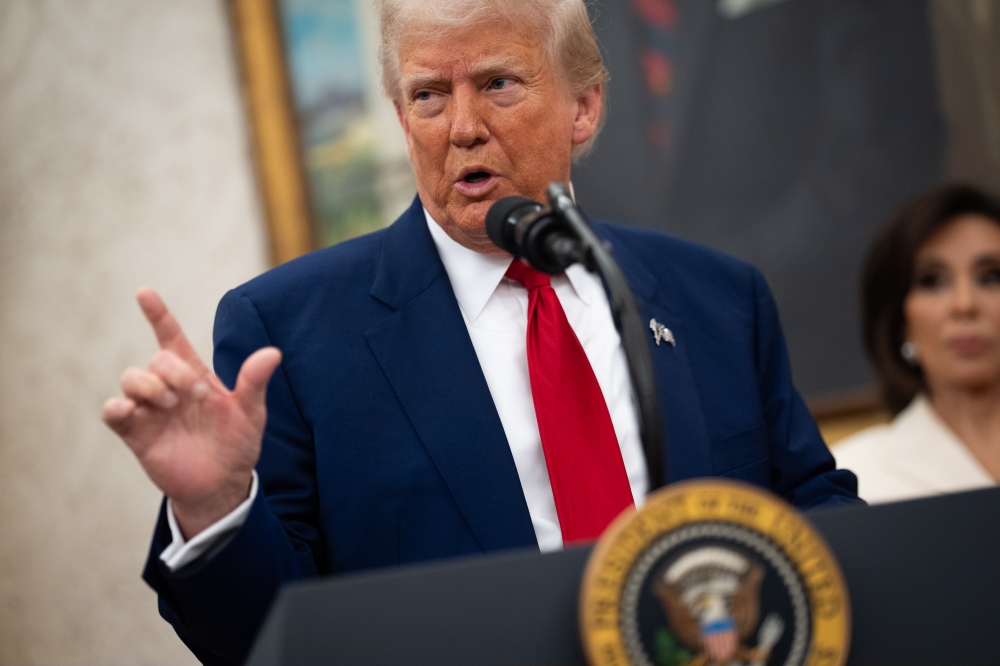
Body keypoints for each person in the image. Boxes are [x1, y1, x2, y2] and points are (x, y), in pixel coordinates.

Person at [102, 0, 859, 662]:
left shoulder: (717, 298)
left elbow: (813, 520)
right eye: (429, 95)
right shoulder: (291, 333)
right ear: (401, 119)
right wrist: (215, 511)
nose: (463, 128)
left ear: (584, 105)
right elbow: (269, 638)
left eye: (498, 83)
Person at [834, 184, 1000, 503]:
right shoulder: (849, 479)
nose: (965, 304)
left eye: (991, 278)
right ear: (900, 323)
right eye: (933, 281)